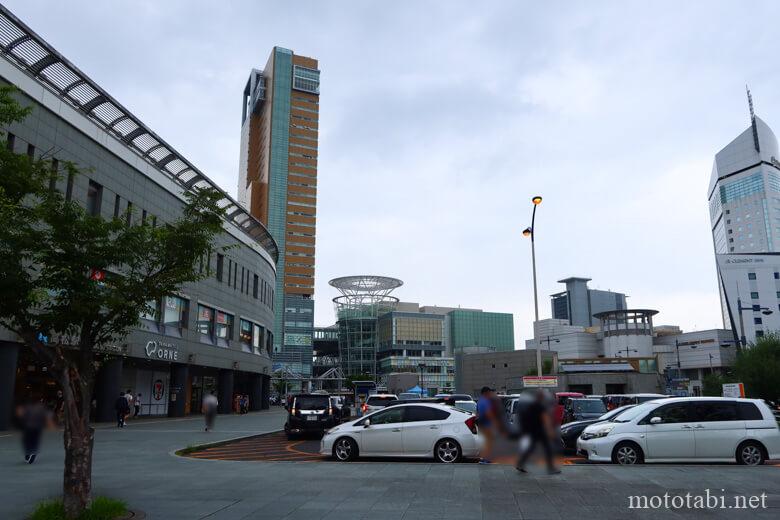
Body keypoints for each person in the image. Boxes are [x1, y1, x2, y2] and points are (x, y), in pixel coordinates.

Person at [516, 390, 560, 475]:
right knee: (548, 448)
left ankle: (520, 463)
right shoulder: (541, 406)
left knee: (531, 448)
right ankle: (551, 468)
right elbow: (545, 419)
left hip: (533, 430)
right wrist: (550, 431)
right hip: (540, 431)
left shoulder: (531, 406)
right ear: (542, 397)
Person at [17, 399, 51, 464]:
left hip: (28, 427)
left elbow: (21, 416)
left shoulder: (27, 407)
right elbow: (46, 418)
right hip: (37, 428)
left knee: (27, 441)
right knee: (34, 442)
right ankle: (33, 453)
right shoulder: (41, 408)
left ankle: (27, 454)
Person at [476, 386, 497, 464]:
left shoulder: (479, 401)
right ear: (485, 393)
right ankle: (487, 459)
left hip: (482, 425)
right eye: (489, 392)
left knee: (485, 442)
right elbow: (488, 413)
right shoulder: (486, 401)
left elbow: (477, 413)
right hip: (487, 425)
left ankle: (485, 458)